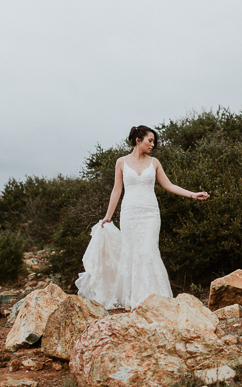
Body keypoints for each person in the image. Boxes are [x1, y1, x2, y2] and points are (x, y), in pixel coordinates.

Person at [76, 125, 209, 310]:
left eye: (154, 141)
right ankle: (135, 299)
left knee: (148, 250)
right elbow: (117, 190)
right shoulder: (121, 162)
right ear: (138, 140)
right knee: (131, 253)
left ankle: (154, 297)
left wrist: (193, 194)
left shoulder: (154, 163)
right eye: (150, 140)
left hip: (150, 214)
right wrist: (108, 216)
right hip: (129, 214)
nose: (153, 144)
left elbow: (169, 185)